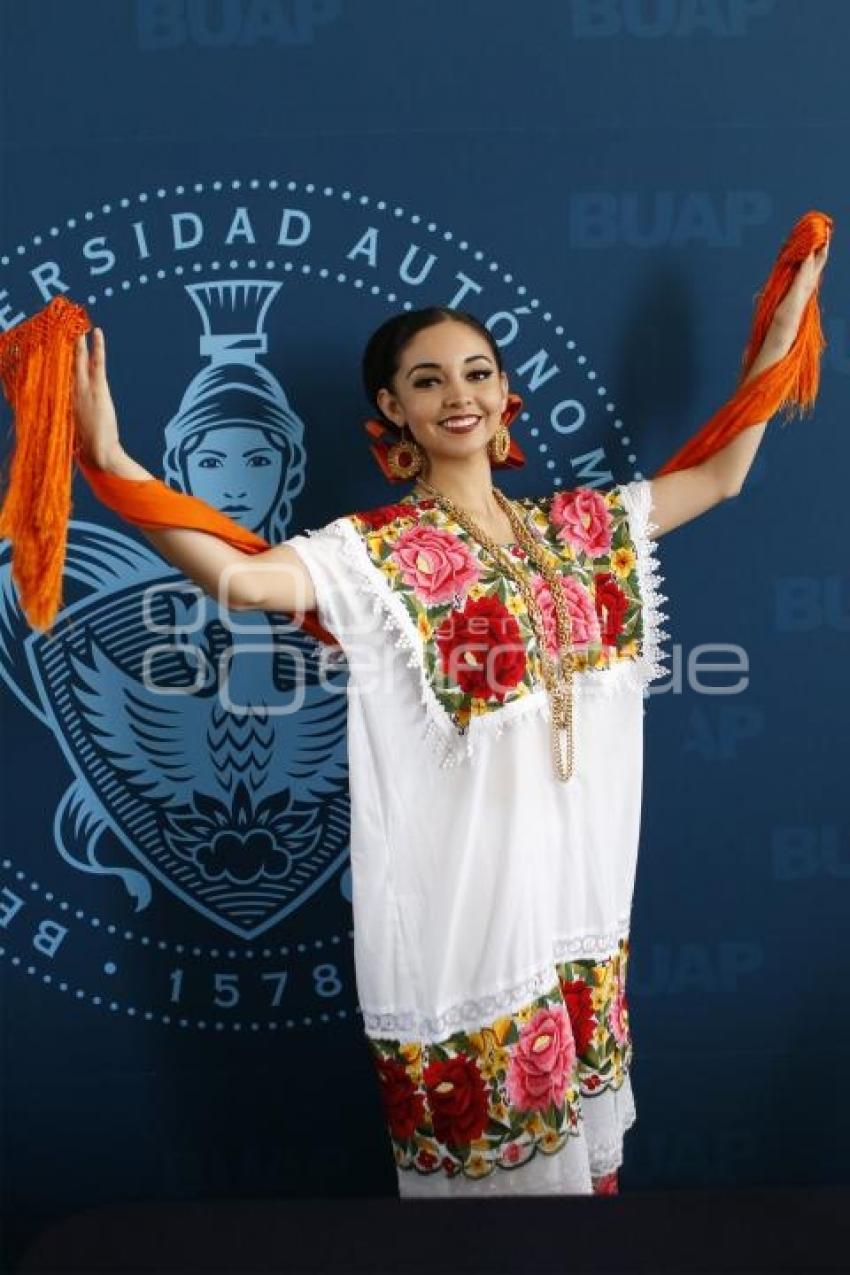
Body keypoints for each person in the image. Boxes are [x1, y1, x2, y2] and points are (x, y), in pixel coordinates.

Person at [66, 240, 827, 1198]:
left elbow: (719, 475)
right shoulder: (375, 556)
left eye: (476, 371)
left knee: (580, 1196)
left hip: (576, 914)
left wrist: (789, 316)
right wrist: (111, 460)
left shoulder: (580, 534)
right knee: (491, 1210)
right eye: (427, 380)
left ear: (507, 392)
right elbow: (239, 574)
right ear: (394, 411)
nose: (457, 393)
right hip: (465, 927)